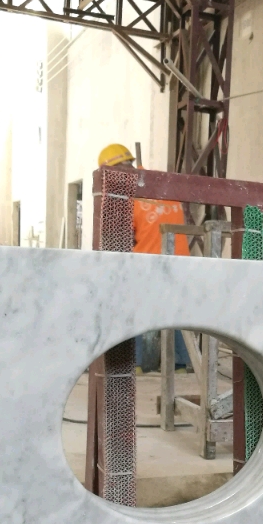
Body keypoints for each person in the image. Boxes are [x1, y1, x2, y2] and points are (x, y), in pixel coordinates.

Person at [98, 144, 191, 371]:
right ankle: (180, 363)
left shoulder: (128, 195)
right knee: (172, 314)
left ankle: (136, 364)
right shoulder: (161, 183)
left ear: (113, 169)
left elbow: (120, 238)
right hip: (181, 261)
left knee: (133, 310)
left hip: (149, 263)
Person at [97, 143, 190, 257]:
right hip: (182, 260)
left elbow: (117, 243)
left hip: (149, 263)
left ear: (111, 171)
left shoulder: (123, 194)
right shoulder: (160, 179)